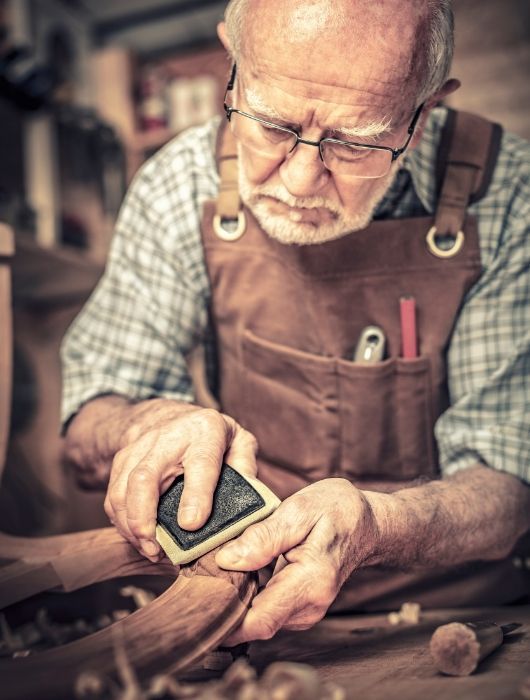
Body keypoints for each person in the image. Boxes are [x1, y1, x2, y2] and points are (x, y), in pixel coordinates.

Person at [61, 0, 530, 645]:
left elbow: (509, 480)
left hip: (462, 620)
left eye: (355, 141)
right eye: (272, 123)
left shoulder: (505, 192)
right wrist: (149, 423)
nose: (303, 177)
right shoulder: (178, 184)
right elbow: (90, 407)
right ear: (234, 63)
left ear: (425, 114)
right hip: (253, 617)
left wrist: (375, 527)